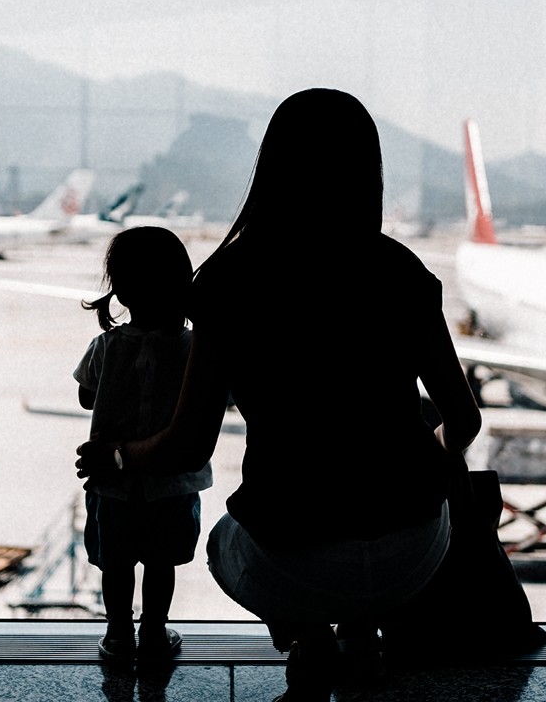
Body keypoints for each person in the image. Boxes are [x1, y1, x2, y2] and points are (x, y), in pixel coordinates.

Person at [77, 88, 485, 700]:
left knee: (225, 545)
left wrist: (116, 457)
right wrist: (430, 450)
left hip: (293, 550)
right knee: (365, 541)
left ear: (270, 166)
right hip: (413, 549)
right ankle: (360, 637)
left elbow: (187, 448)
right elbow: (464, 421)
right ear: (367, 170)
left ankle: (305, 636)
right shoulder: (402, 271)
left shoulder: (229, 280)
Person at [73, 225, 213, 664]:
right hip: (171, 487)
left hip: (113, 487)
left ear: (122, 293)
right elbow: (217, 401)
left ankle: (117, 635)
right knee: (160, 565)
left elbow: (85, 395)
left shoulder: (106, 346)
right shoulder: (196, 350)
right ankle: (153, 634)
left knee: (115, 566)